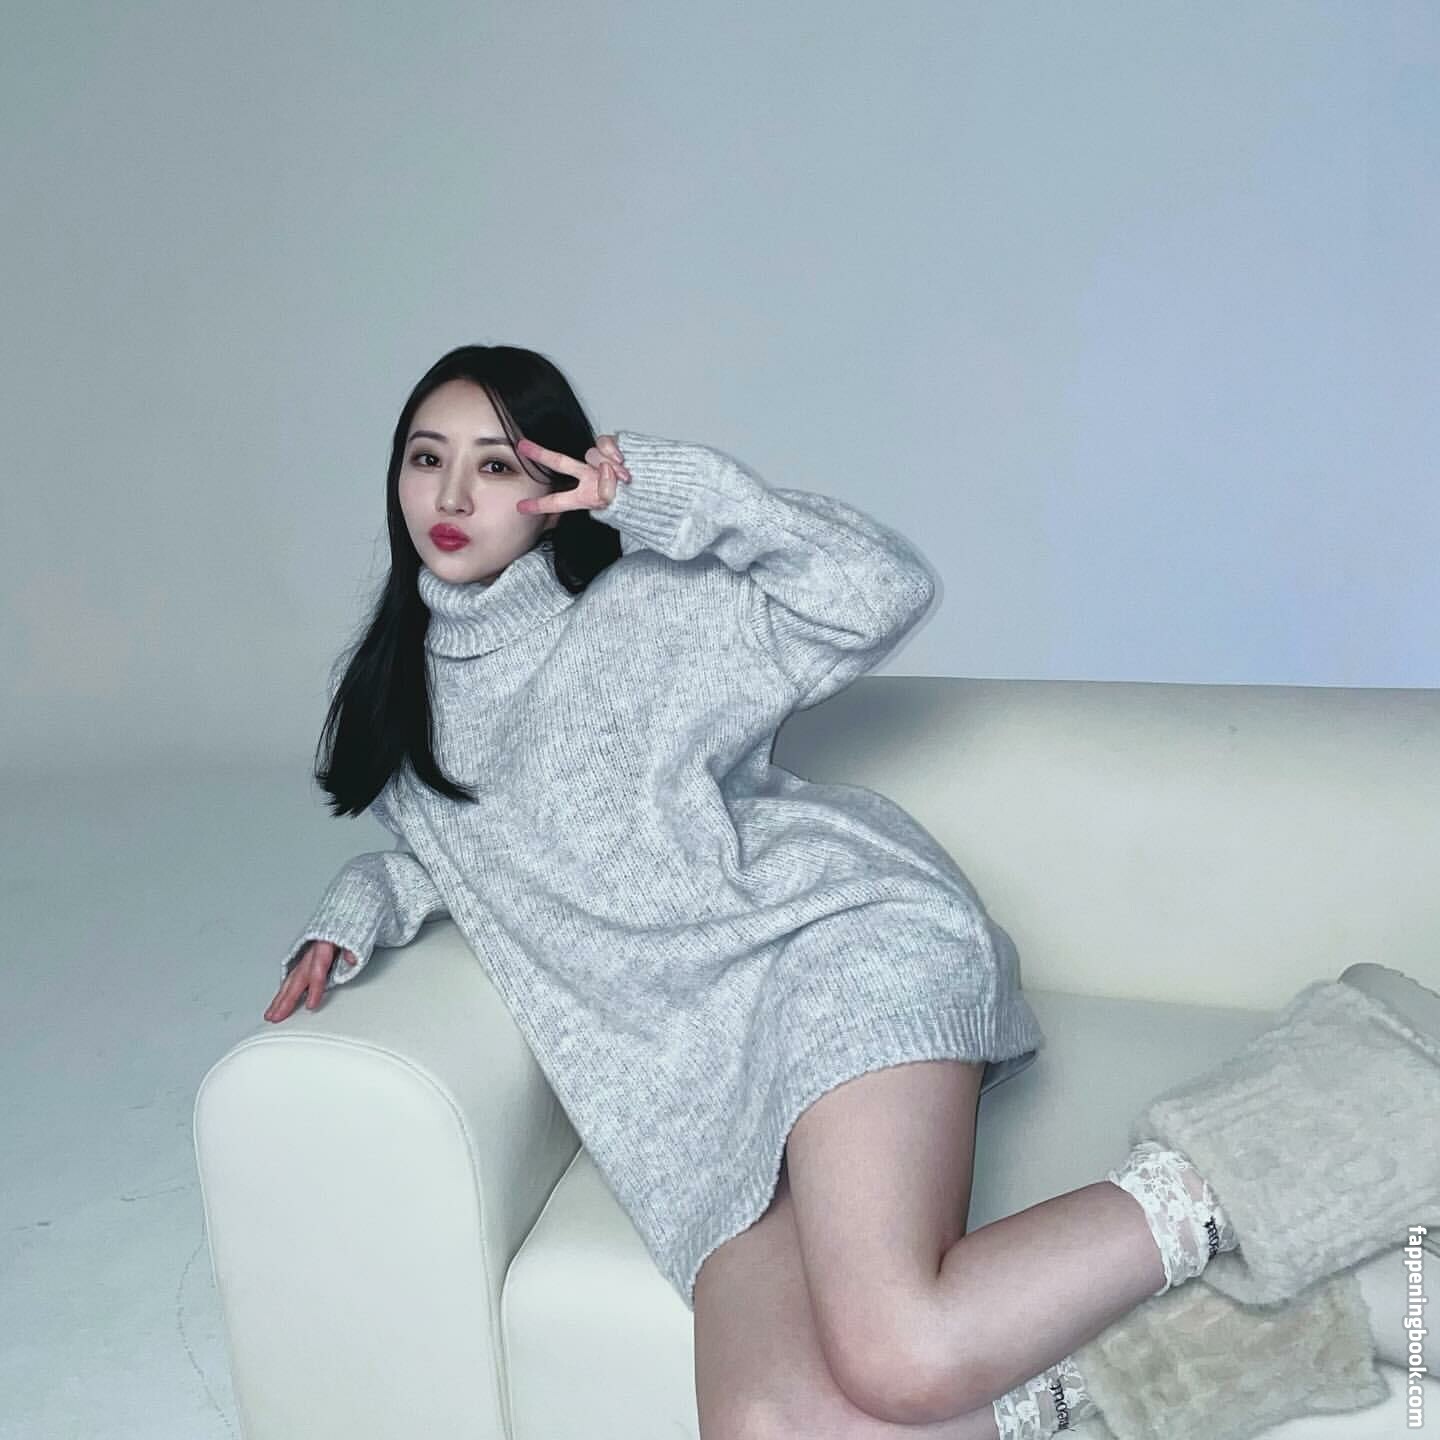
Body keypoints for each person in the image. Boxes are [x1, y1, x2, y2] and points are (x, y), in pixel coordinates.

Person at [261, 343, 1240, 1440]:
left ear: (554, 485)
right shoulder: (405, 706)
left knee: (904, 1352)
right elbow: (492, 847)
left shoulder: (644, 612)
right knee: (762, 1425)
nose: (449, 497)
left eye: (495, 465)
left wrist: (664, 494)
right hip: (696, 1088)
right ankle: (1167, 1362)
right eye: (425, 458)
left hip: (832, 953)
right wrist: (367, 899)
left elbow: (880, 588)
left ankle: (1250, 1164)